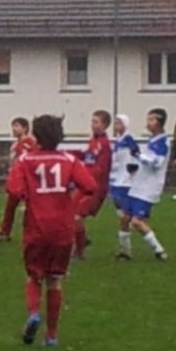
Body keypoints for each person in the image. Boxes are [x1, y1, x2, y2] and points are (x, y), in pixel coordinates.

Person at [6, 115, 95, 347]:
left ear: (36, 135)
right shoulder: (69, 160)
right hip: (62, 229)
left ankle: (33, 313)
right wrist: (69, 200)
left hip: (36, 227)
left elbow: (13, 189)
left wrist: (29, 197)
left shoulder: (25, 160)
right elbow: (90, 186)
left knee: (34, 277)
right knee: (55, 280)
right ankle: (51, 336)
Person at [118, 108, 171, 261]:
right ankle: (125, 252)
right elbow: (146, 160)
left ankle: (159, 251)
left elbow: (156, 163)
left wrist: (137, 154)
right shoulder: (152, 140)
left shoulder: (163, 142)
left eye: (152, 120)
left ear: (160, 122)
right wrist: (136, 167)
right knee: (124, 218)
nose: (148, 123)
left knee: (136, 222)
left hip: (149, 187)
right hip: (138, 184)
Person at [72, 110, 113, 260]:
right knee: (70, 213)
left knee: (77, 216)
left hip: (95, 187)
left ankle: (79, 251)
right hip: (85, 184)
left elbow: (101, 169)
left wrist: (89, 179)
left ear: (105, 125)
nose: (93, 125)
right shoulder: (93, 141)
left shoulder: (104, 145)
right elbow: (88, 158)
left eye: (96, 122)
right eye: (92, 121)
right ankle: (82, 239)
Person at [0, 117, 37, 243]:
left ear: (25, 128)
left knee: (30, 208)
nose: (14, 129)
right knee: (9, 207)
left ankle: (31, 232)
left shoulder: (31, 143)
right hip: (16, 180)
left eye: (17, 126)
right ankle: (4, 232)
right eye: (13, 126)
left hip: (27, 180)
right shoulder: (14, 145)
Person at [109, 114, 139, 214]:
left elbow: (136, 153)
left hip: (126, 174)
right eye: (115, 123)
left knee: (121, 196)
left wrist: (133, 165)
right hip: (117, 172)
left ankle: (127, 215)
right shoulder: (118, 140)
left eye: (119, 123)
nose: (116, 126)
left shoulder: (128, 139)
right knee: (115, 196)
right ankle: (124, 215)